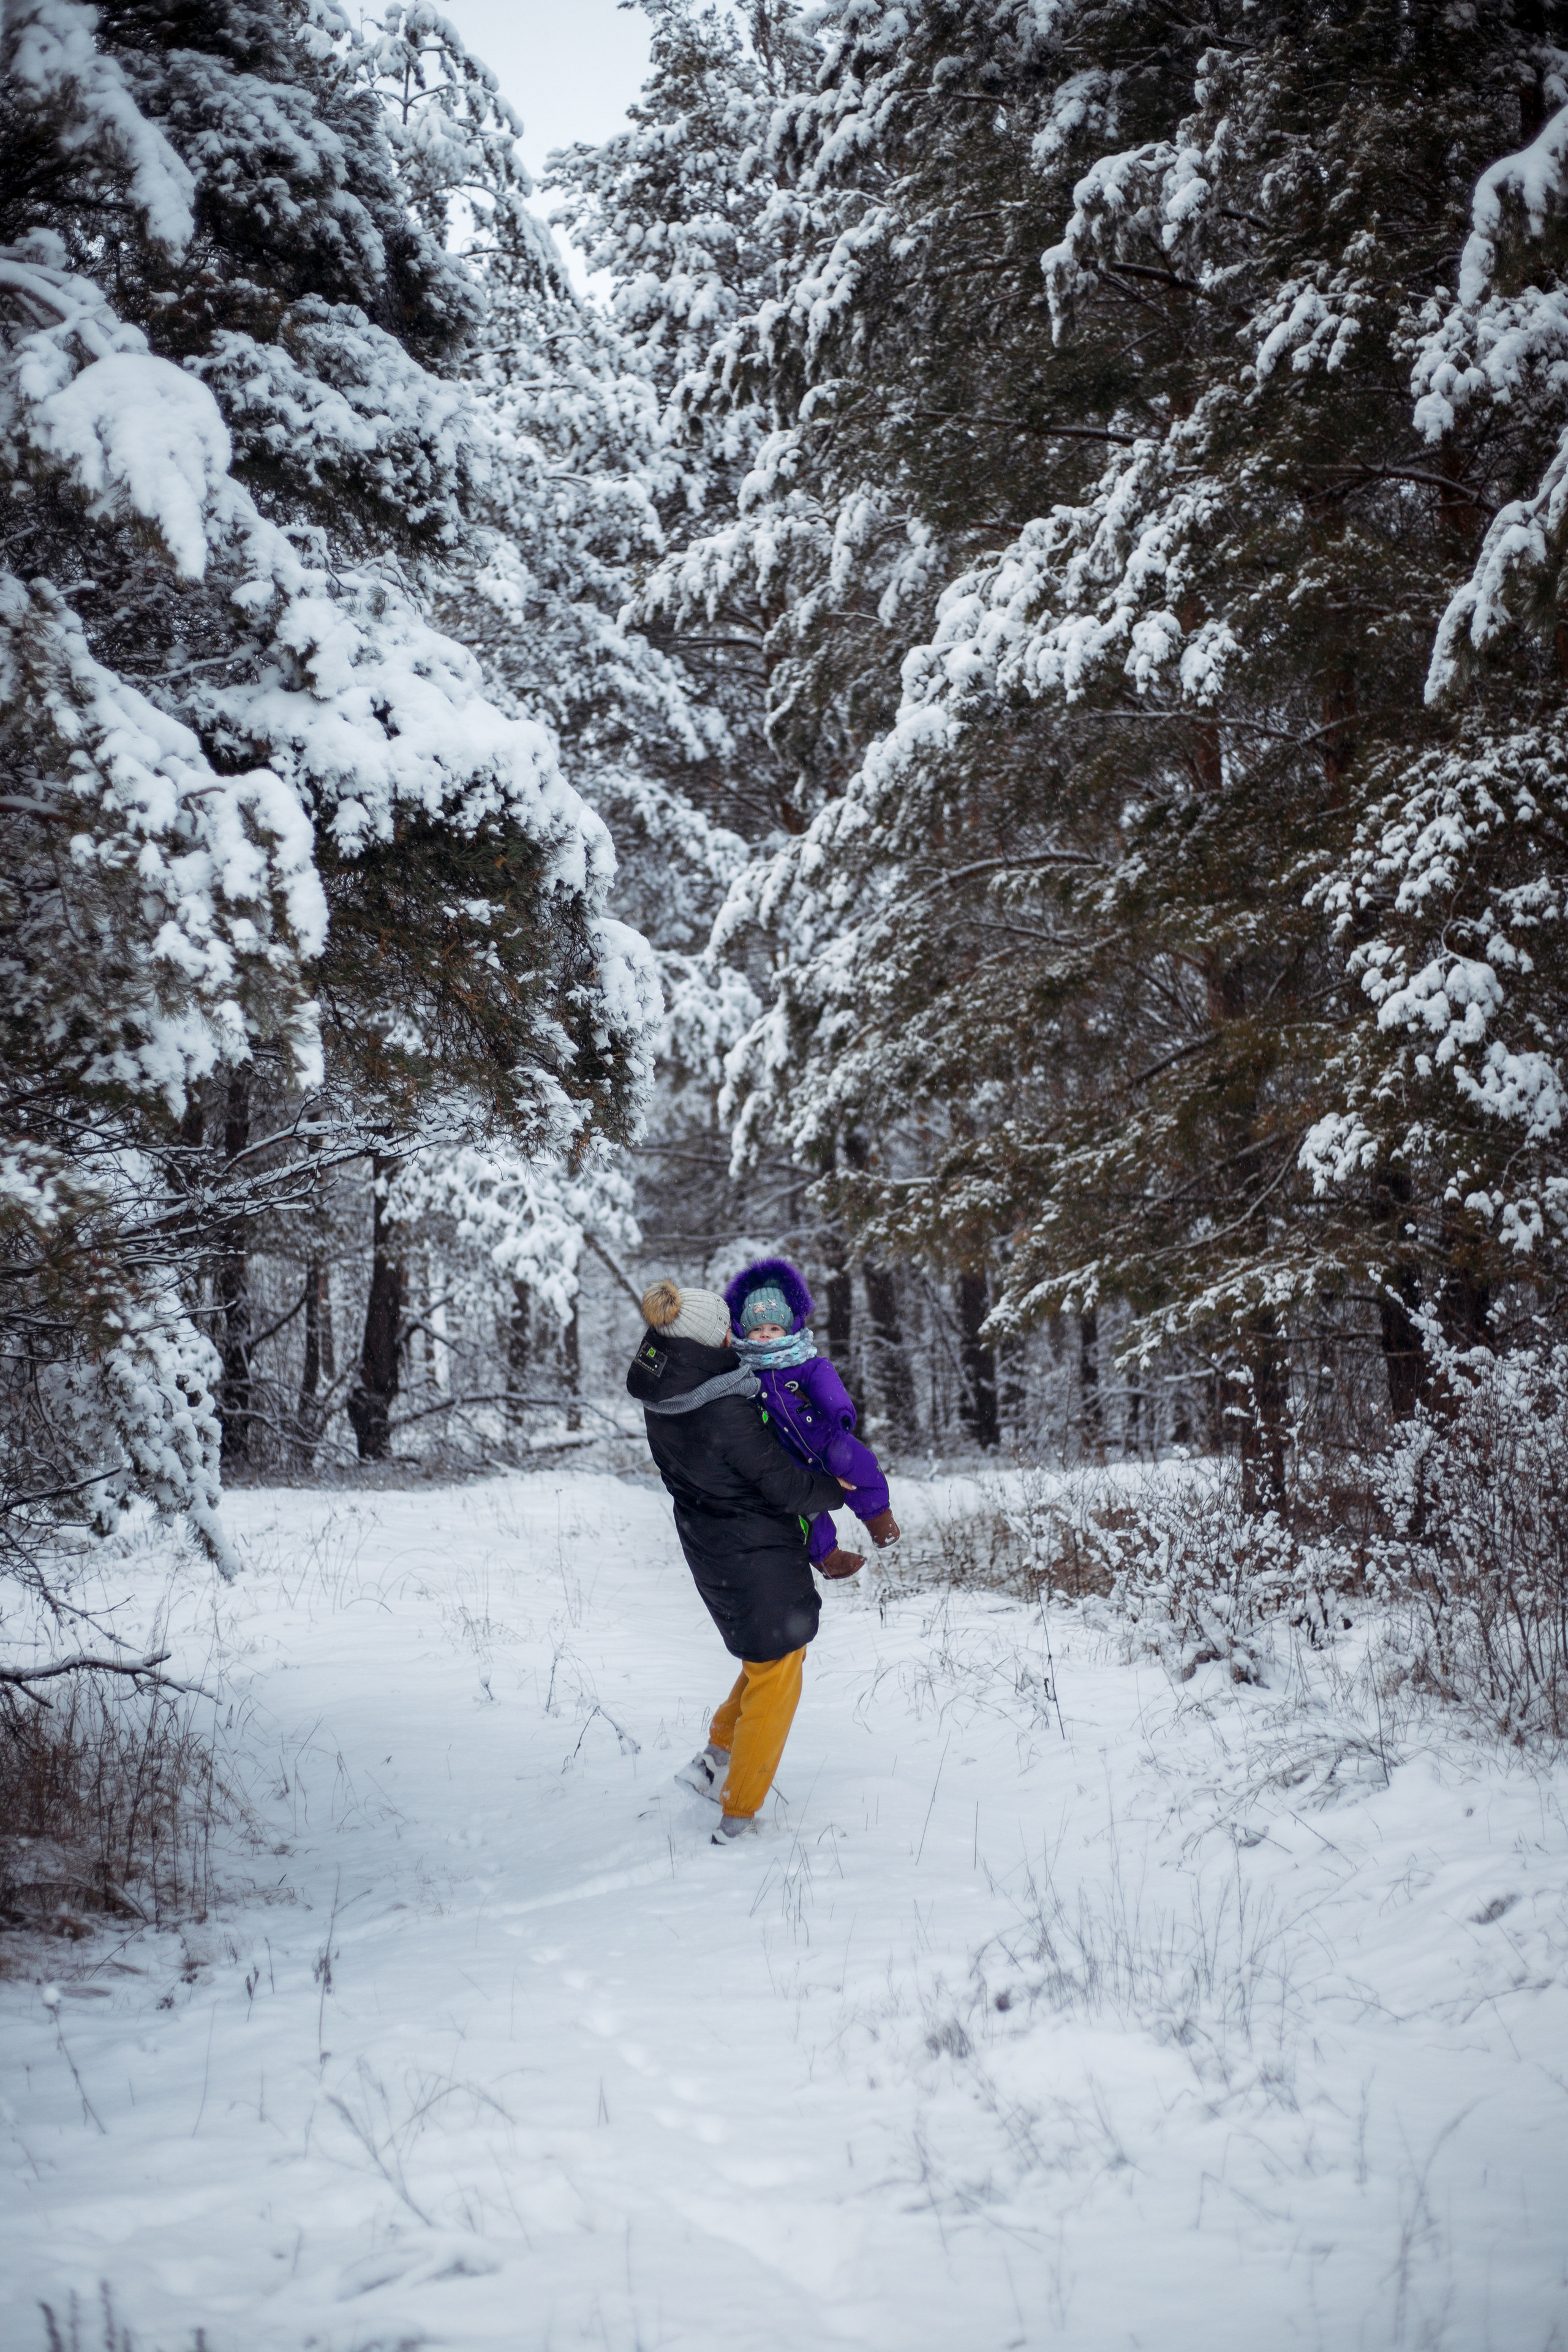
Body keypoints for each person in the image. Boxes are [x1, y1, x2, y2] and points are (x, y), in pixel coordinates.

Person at [628, 1277, 848, 1845]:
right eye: (727, 1329)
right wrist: (839, 1487)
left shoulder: (668, 1392)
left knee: (766, 1652)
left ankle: (713, 1761)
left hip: (713, 1546)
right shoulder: (723, 1410)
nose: (736, 1336)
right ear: (707, 1341)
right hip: (754, 1553)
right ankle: (739, 1813)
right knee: (777, 1669)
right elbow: (785, 1486)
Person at [722, 1256, 900, 1580]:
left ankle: (878, 1518)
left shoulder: (804, 1362)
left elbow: (824, 1381)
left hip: (824, 1437)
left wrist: (839, 1410)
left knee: (860, 1464)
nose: (766, 1335)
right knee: (806, 1508)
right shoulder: (744, 1371)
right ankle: (827, 1557)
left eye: (774, 1328)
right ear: (745, 1332)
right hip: (785, 1454)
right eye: (758, 1329)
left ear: (788, 1328)